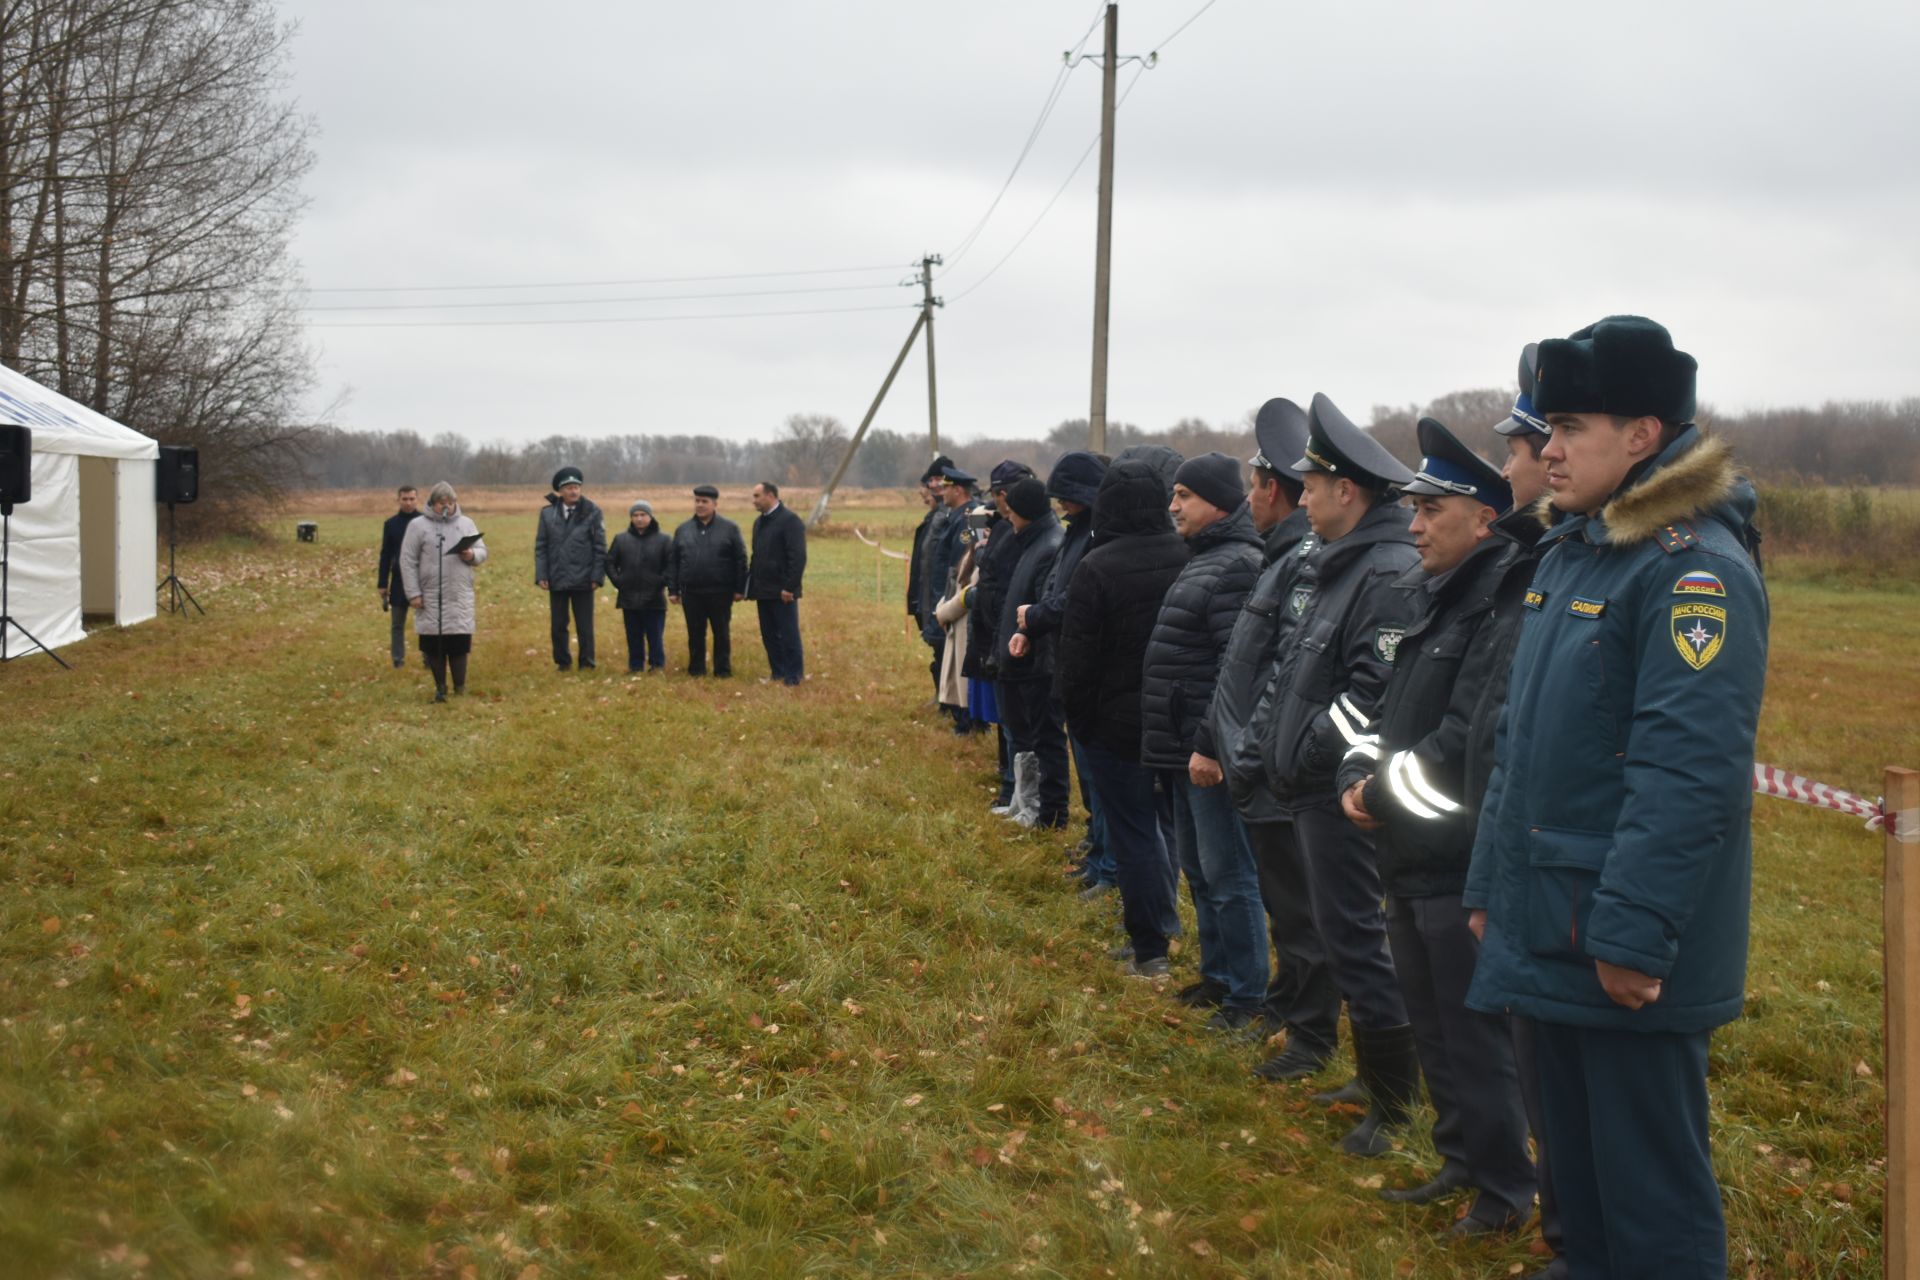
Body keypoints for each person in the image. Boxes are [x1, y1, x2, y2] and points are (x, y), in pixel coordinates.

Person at [1463, 316, 1767, 1279]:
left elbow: (1688, 773)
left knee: (1652, 1204)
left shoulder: (1691, 571)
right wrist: (1488, 884)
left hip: (1616, 944)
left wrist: (1634, 936)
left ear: (1642, 434)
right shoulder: (1576, 554)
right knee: (1582, 1195)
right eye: (1546, 428)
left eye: (1570, 427)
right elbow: (1522, 747)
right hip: (1550, 918)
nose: (1545, 450)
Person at [1333, 417, 1536, 1236]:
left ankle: (1503, 1192)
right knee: (1434, 1025)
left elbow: (1462, 741)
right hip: (1407, 858)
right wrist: (1357, 770)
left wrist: (1378, 796)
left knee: (1472, 1036)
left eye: (1432, 510)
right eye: (1412, 509)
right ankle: (1460, 1158)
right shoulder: (1436, 596)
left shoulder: (1499, 602)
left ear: (1483, 519)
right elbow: (1384, 710)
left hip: (1452, 858)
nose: (1413, 525)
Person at [1260, 392, 1421, 1157]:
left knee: (1357, 936)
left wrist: (1317, 752)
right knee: (1342, 931)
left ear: (1346, 492)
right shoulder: (1342, 563)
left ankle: (1394, 1103)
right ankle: (1372, 1076)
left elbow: (1372, 692)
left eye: (1314, 486)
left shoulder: (1384, 572)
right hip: (1312, 786)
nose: (1305, 497)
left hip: (1339, 790)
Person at [1209, 399, 1344, 1083]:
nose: (1248, 498)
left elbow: (1287, 673)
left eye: (1253, 483)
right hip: (1259, 762)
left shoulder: (1303, 559)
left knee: (1299, 910)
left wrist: (1251, 749)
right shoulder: (1282, 553)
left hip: (1275, 769)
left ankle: (1312, 1037)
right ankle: (1293, 1005)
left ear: (1272, 489)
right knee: (1285, 903)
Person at [1139, 452, 1268, 1034]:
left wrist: (1211, 744)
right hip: (1180, 747)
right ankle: (1217, 977)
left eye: (1185, 496)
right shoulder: (1204, 560)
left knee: (1229, 872)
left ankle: (1247, 995)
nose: (1173, 507)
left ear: (1219, 502)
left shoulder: (1237, 565)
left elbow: (1233, 669)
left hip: (1205, 750)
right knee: (1198, 868)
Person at [1056, 459, 1190, 978]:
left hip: (1115, 725)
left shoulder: (1097, 565)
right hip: (1174, 720)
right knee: (1166, 825)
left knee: (1133, 832)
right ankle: (1167, 919)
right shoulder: (1187, 554)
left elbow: (1079, 658)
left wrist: (1081, 723)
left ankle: (1150, 947)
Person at [1018, 451, 1112, 890]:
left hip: (1087, 666)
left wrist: (1035, 616)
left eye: (1067, 498)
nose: (1061, 506)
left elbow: (1074, 595)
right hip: (1065, 660)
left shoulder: (1096, 535)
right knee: (1088, 776)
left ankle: (1106, 865)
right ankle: (1097, 852)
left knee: (1099, 778)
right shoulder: (1076, 532)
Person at [994, 477, 1067, 827]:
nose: (1008, 519)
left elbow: (1043, 606)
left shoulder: (1050, 545)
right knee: (1022, 734)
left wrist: (1025, 637)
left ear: (1026, 513)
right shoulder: (1032, 541)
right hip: (1019, 659)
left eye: (1013, 513)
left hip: (1036, 663)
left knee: (1043, 737)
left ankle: (1044, 810)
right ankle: (1022, 801)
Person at [399, 481, 486, 703]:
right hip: (430, 594)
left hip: (459, 594)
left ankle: (459, 687)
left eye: (450, 502)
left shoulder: (466, 523)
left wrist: (471, 555)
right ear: (432, 504)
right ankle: (440, 686)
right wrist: (413, 593)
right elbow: (407, 561)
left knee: (458, 641)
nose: (446, 507)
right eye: (441, 503)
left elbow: (482, 550)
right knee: (434, 643)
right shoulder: (418, 526)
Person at [668, 484, 748, 677]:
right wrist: (673, 589)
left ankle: (722, 670)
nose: (700, 505)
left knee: (721, 633)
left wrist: (740, 588)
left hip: (720, 591)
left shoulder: (730, 528)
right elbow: (674, 561)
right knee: (695, 633)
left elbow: (741, 559)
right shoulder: (683, 529)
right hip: (691, 592)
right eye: (697, 501)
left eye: (705, 502)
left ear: (715, 504)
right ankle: (696, 669)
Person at [534, 466, 607, 672]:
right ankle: (562, 662)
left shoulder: (592, 512)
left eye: (576, 487)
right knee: (558, 625)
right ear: (560, 491)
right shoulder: (548, 514)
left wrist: (597, 576)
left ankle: (587, 662)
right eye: (569, 488)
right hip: (557, 577)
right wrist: (542, 574)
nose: (574, 491)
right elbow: (541, 546)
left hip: (584, 578)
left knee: (585, 625)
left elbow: (600, 547)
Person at [921, 465, 976, 728]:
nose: (941, 491)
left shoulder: (966, 519)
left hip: (959, 597)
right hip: (947, 595)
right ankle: (959, 713)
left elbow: (962, 562)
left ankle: (967, 718)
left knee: (959, 659)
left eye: (947, 487)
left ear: (959, 490)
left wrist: (950, 602)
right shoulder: (953, 516)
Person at [747, 480, 808, 685]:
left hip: (783, 591)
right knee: (769, 635)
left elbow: (798, 557)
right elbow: (756, 555)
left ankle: (794, 676)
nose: (753, 500)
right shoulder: (759, 523)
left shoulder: (790, 521)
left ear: (770, 496)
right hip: (763, 589)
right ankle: (778, 672)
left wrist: (790, 586)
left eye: (757, 496)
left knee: (788, 634)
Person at [607, 500, 671, 672]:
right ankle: (635, 666)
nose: (639, 519)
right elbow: (610, 562)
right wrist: (618, 581)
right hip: (629, 597)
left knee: (655, 635)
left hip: (654, 597)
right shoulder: (621, 540)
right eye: (635, 515)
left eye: (643, 515)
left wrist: (660, 581)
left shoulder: (664, 540)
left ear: (650, 516)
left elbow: (671, 565)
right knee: (633, 635)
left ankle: (657, 665)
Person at [376, 484, 421, 668]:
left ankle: (429, 658)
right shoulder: (391, 524)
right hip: (399, 580)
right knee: (397, 624)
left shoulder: (424, 522)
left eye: (412, 499)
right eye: (405, 499)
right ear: (398, 500)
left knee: (425, 623)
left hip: (421, 580)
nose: (408, 502)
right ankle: (398, 659)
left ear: (417, 500)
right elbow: (385, 554)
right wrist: (382, 583)